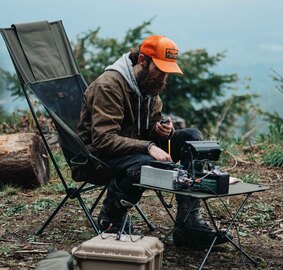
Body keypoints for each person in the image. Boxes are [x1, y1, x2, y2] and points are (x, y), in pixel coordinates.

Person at [76, 35, 226, 248]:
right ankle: (111, 219)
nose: (163, 77)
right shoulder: (110, 85)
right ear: (142, 61)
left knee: (191, 138)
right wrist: (149, 146)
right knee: (145, 163)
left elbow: (150, 123)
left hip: (134, 150)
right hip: (97, 157)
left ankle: (188, 225)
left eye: (167, 72)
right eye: (160, 69)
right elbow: (103, 139)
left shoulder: (149, 84)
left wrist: (160, 130)